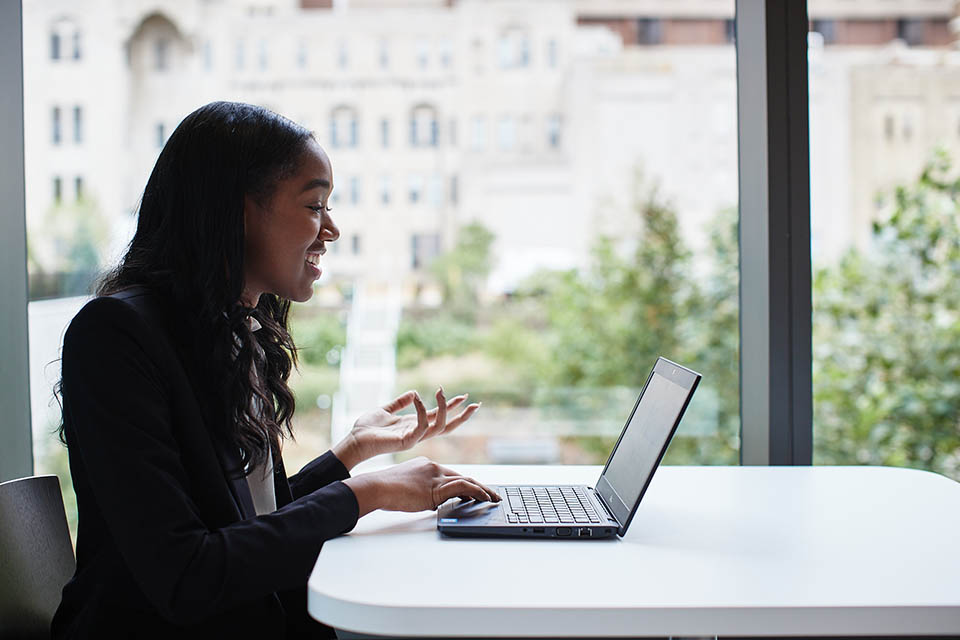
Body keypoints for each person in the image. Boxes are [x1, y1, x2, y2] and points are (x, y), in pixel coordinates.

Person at [51, 101, 500, 639]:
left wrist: (348, 454)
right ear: (237, 209)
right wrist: (367, 494)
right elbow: (187, 574)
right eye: (314, 204)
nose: (330, 229)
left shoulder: (233, 330)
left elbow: (251, 522)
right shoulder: (114, 337)